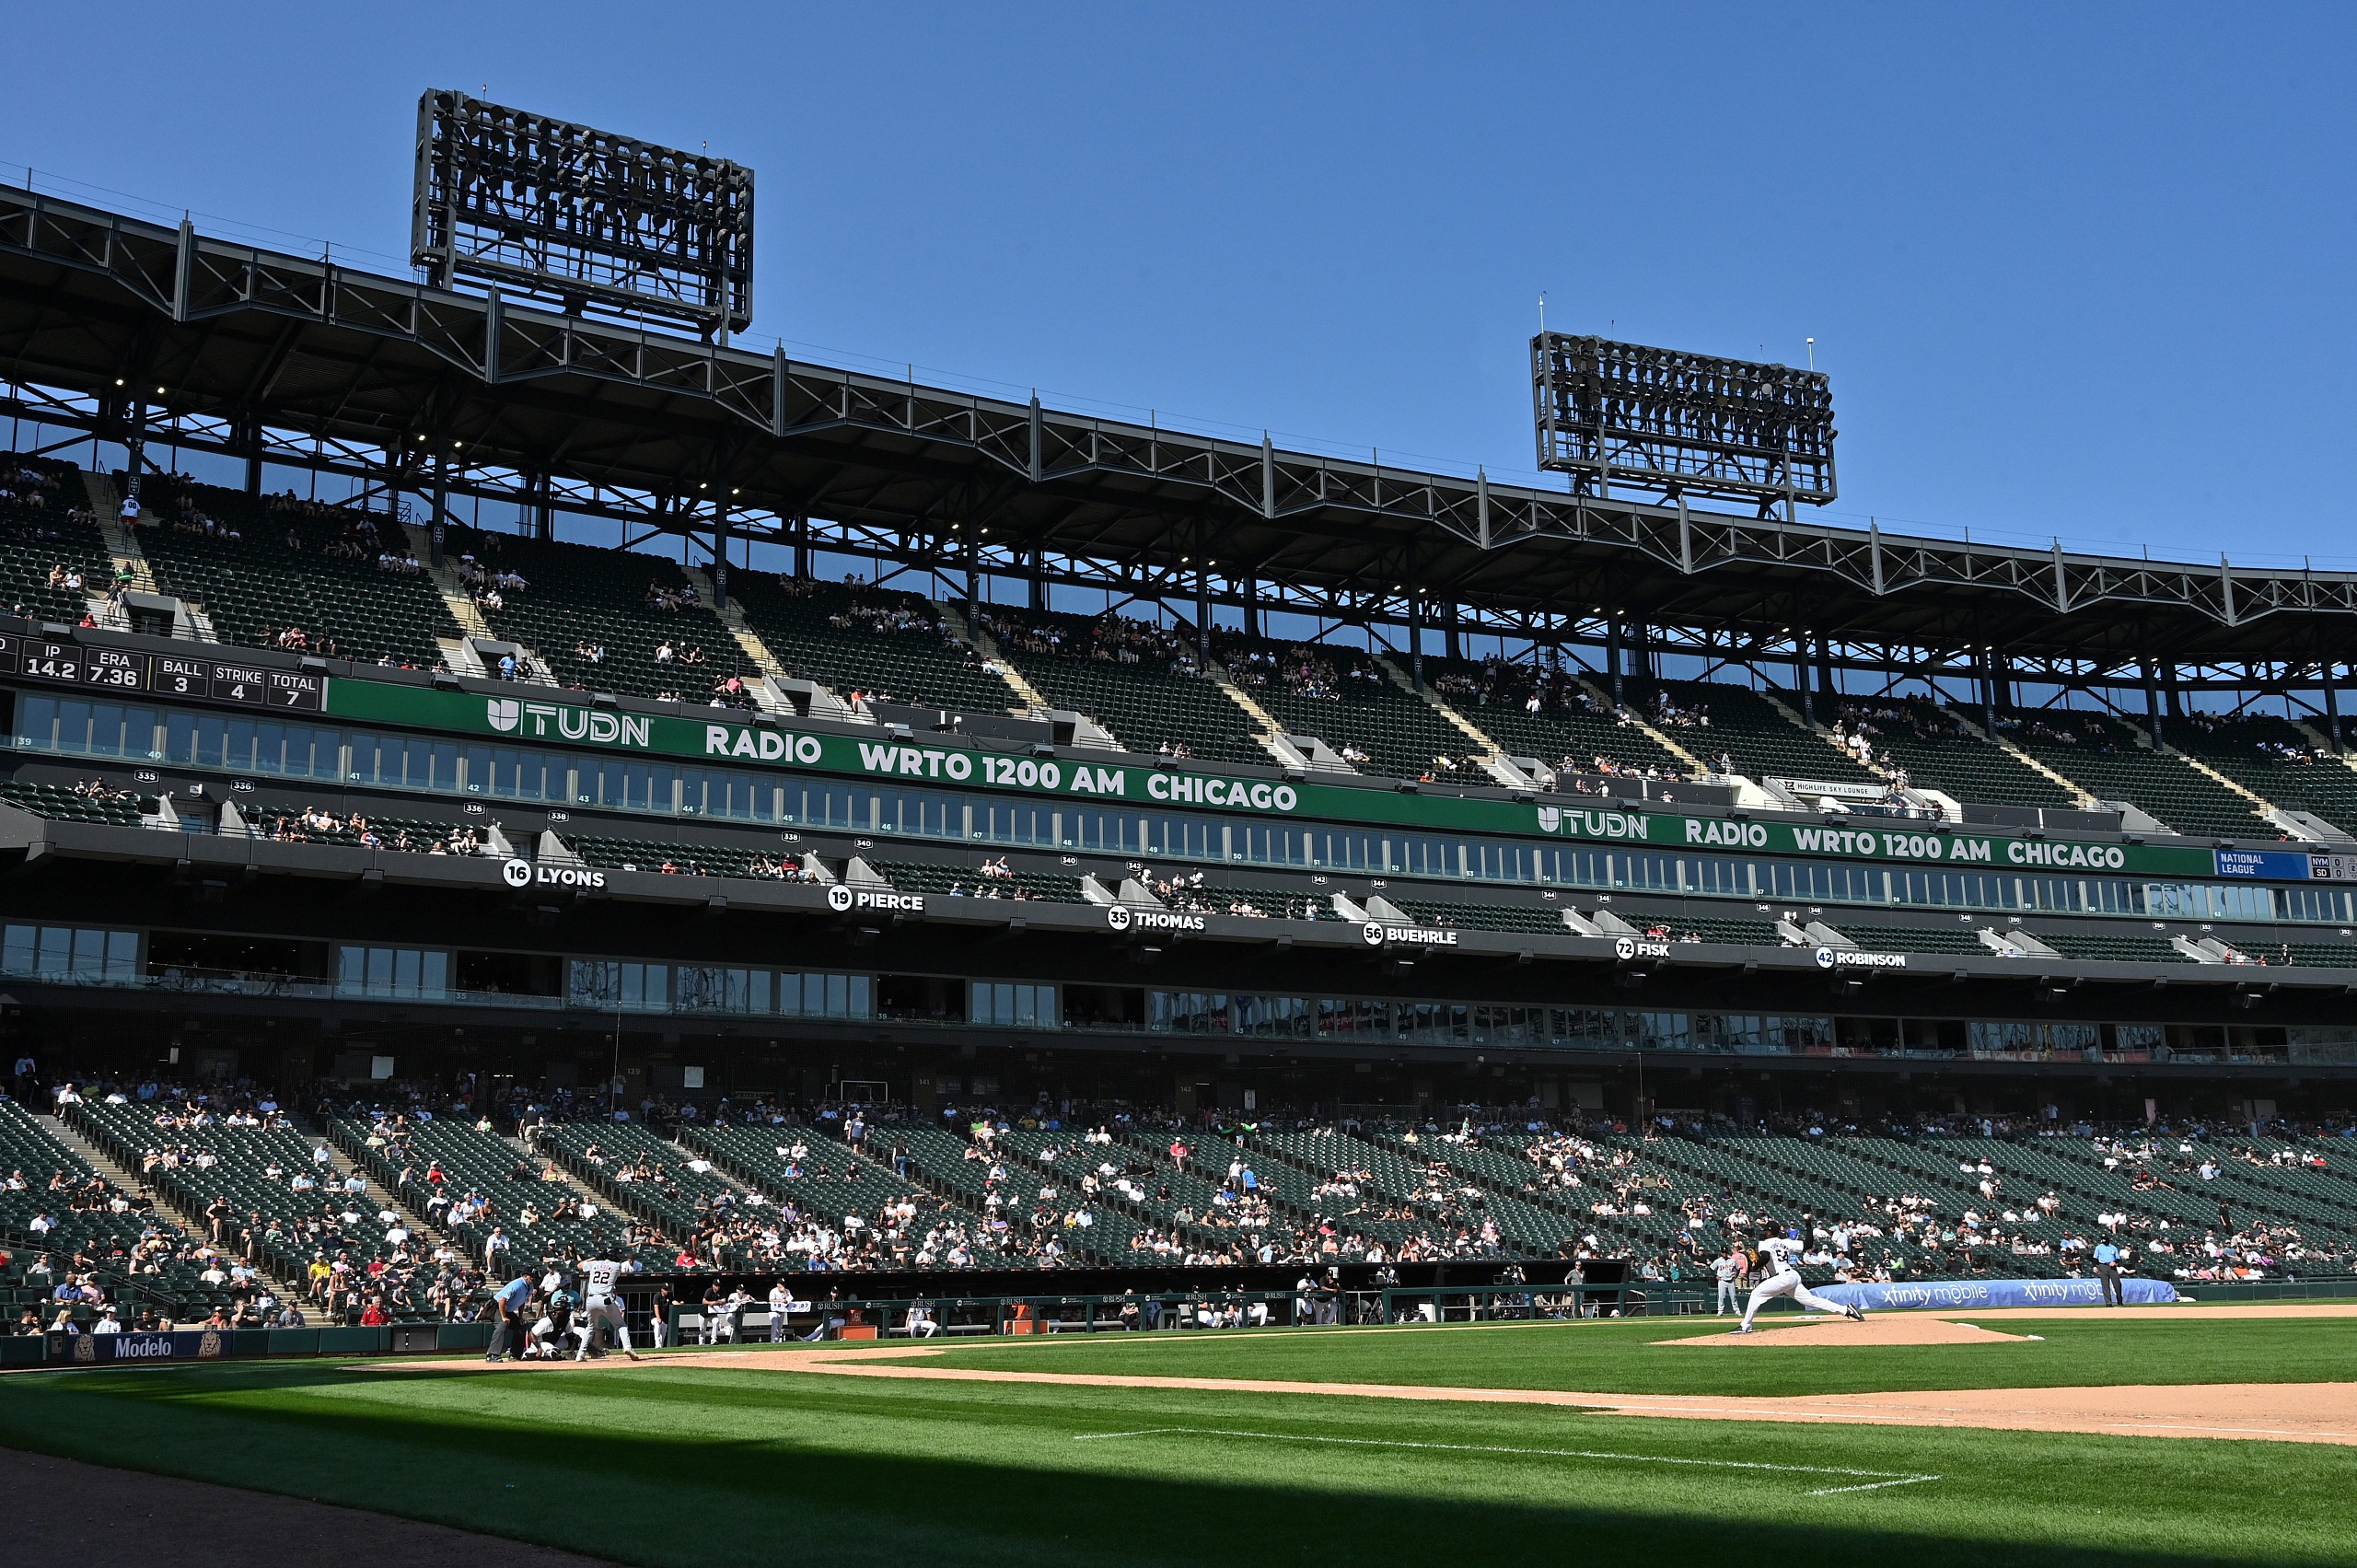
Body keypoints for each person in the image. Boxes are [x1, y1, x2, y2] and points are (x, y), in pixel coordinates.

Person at [1735, 1229, 1863, 1333]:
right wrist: (1808, 1224)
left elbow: (1766, 1257)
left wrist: (1756, 1266)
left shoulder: (1764, 1242)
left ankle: (1745, 1326)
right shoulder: (1786, 1242)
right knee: (1811, 1301)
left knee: (1756, 1294)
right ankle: (1846, 1310)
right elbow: (1808, 1244)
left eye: (1765, 1230)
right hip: (1791, 1275)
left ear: (1769, 1232)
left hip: (1782, 1277)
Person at [576, 1255, 644, 1362]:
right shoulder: (617, 1266)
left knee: (590, 1327)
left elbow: (579, 1265)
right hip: (605, 1299)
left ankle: (580, 1354)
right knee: (621, 1325)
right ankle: (627, 1347)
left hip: (591, 1300)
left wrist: (594, 1258)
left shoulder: (595, 1264)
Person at [485, 1272, 534, 1362]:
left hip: (507, 1310)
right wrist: (503, 1317)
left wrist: (520, 1317)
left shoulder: (530, 1286)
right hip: (495, 1307)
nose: (533, 1279)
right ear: (526, 1276)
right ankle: (492, 1355)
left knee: (521, 1326)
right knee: (502, 1325)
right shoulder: (517, 1284)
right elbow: (502, 1300)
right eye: (532, 1276)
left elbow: (522, 1302)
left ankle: (515, 1355)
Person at [1712, 1245, 1745, 1317]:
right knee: (1721, 1296)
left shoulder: (1732, 1260)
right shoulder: (1718, 1261)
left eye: (1726, 1252)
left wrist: (1736, 1276)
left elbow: (1738, 1268)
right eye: (1723, 1252)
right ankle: (1720, 1311)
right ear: (1721, 1253)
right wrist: (1716, 1276)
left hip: (1730, 1280)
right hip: (1722, 1280)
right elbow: (1711, 1268)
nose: (1725, 1254)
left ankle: (1737, 1310)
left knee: (1733, 1296)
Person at [2093, 1237, 2124, 1307]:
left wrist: (2115, 1262)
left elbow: (2118, 1258)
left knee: (2117, 1284)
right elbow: (2095, 1258)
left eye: (2104, 1240)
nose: (2103, 1241)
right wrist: (2095, 1266)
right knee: (2105, 1285)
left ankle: (2120, 1301)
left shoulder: (2113, 1247)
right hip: (2103, 1266)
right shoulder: (2099, 1247)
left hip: (2112, 1267)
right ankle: (2108, 1303)